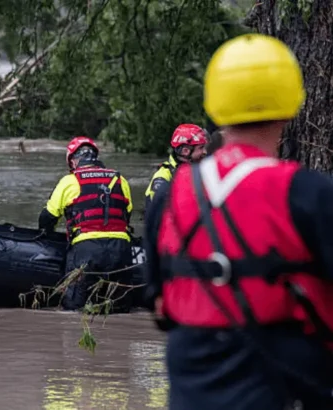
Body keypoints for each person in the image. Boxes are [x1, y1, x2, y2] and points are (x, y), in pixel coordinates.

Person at [144, 33, 333, 409]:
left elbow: (161, 307)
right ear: (292, 103)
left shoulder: (166, 199)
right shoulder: (310, 194)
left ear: (215, 106)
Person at [39, 136, 134, 311]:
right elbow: (126, 215)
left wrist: (47, 239)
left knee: (74, 308)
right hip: (121, 250)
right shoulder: (120, 179)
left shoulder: (70, 181)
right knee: (119, 308)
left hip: (87, 251)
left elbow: (47, 217)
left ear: (73, 161)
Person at [144, 124, 208, 216]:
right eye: (201, 148)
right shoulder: (163, 177)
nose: (205, 152)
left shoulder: (199, 173)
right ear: (186, 151)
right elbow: (161, 217)